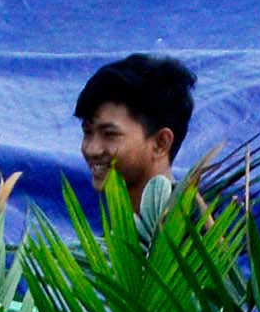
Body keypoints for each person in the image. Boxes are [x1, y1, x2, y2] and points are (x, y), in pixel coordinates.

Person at [75, 53, 195, 219]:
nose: (91, 149)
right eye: (87, 132)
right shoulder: (112, 239)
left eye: (110, 134)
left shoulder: (195, 238)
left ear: (161, 143)